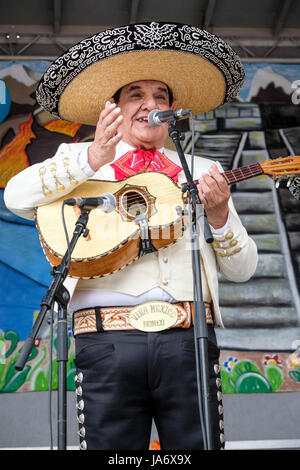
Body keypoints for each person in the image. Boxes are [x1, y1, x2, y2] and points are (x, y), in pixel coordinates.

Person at [4, 22, 258, 450]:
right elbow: (15, 196)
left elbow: (244, 268)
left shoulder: (202, 171)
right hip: (105, 342)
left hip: (187, 341)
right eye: (136, 95)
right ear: (115, 109)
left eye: (160, 96)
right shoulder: (80, 160)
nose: (150, 105)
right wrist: (90, 158)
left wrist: (219, 216)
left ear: (174, 112)